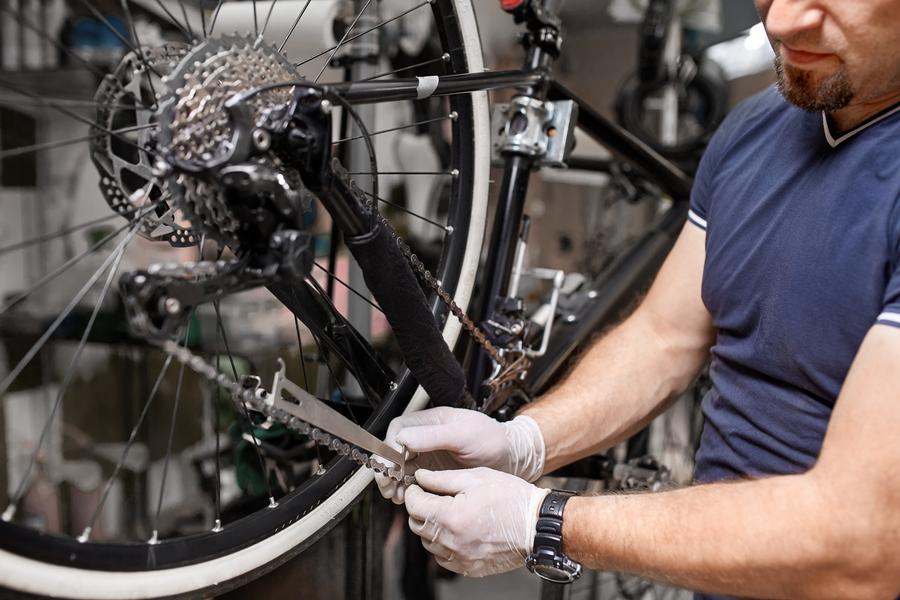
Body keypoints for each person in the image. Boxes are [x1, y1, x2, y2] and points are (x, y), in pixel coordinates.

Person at [375, 1, 900, 597]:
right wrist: (523, 443)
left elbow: (862, 540)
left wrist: (542, 522)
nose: (781, 21)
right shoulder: (756, 129)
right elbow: (665, 337)